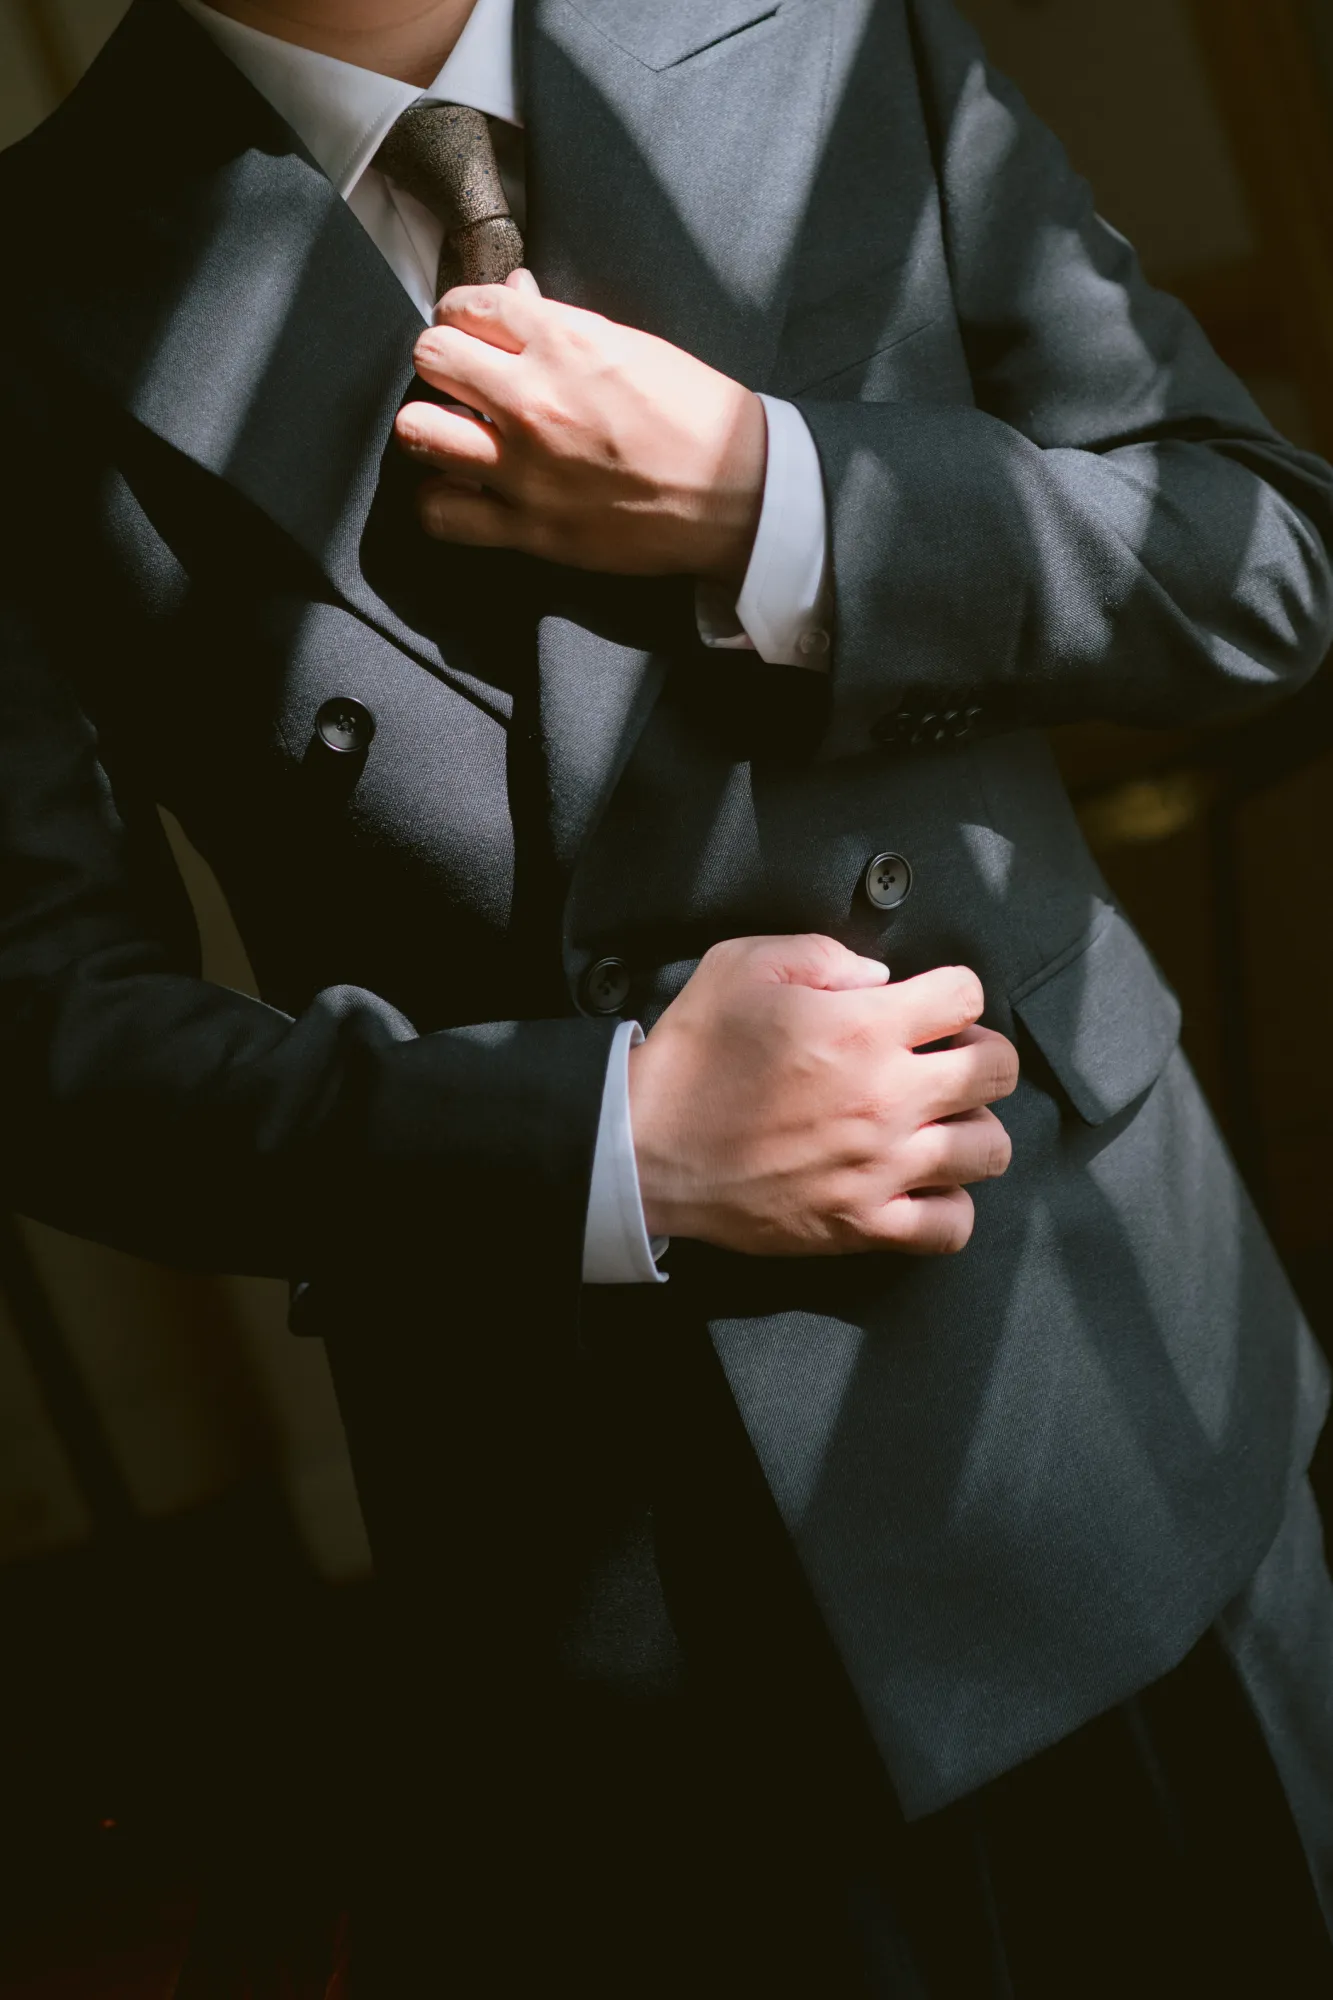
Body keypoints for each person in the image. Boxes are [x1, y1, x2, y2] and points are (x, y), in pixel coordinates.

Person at [2, 0, 1333, 1989]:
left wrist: (780, 501)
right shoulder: (37, 278)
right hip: (611, 1574)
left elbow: (1264, 559)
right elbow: (42, 1039)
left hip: (1114, 1413)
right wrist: (610, 1143)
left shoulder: (819, 31)